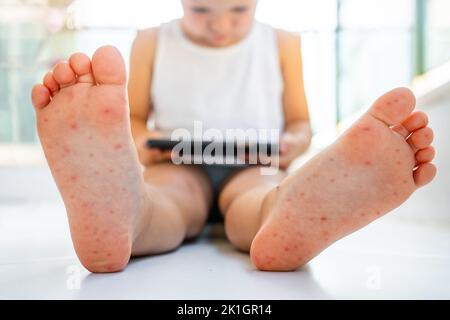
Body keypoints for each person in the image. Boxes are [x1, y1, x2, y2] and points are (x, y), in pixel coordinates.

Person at [31, 0, 436, 273]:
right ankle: (126, 218)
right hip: (176, 160)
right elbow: (134, 118)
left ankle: (286, 216)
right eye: (202, 8)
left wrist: (291, 144)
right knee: (173, 198)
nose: (220, 24)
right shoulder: (152, 40)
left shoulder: (282, 42)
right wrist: (142, 142)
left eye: (238, 9)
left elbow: (299, 122)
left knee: (254, 198)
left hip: (254, 161)